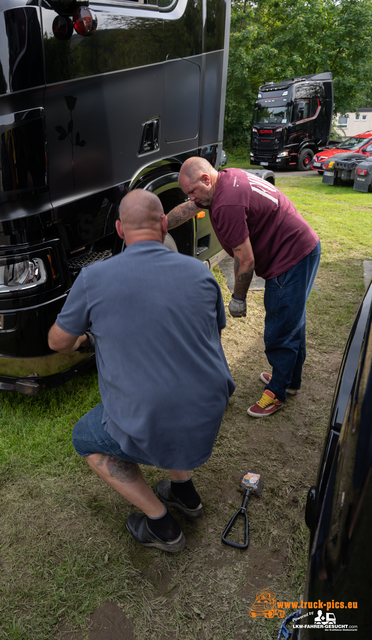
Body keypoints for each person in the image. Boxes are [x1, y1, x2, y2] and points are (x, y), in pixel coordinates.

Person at [48, 189, 235, 553]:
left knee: (86, 437)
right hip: (210, 410)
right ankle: (185, 493)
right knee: (170, 392)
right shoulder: (200, 273)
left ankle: (162, 524)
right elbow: (210, 329)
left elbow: (57, 342)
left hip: (161, 418)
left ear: (119, 230)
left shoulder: (93, 278)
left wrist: (84, 338)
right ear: (164, 224)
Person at [166, 157, 321, 418]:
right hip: (302, 247)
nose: (191, 198)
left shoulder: (226, 204)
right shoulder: (224, 179)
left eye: (192, 191)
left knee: (280, 327)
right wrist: (159, 224)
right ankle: (291, 381)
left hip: (290, 258)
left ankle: (278, 392)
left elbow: (246, 261)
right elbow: (189, 208)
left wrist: (238, 298)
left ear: (206, 179)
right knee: (294, 322)